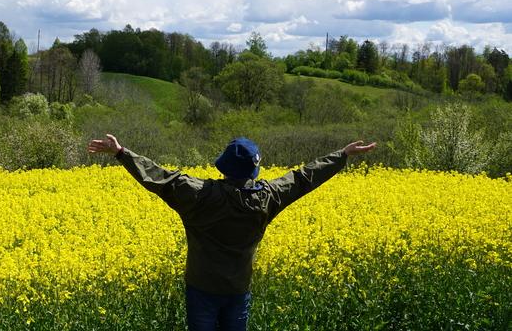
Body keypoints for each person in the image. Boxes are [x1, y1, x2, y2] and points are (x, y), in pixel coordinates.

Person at [87, 134, 376, 331]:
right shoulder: (268, 198)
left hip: (201, 289)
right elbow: (303, 178)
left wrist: (122, 153)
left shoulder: (199, 195)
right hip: (238, 291)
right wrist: (342, 155)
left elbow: (159, 178)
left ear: (224, 166)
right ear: (254, 171)